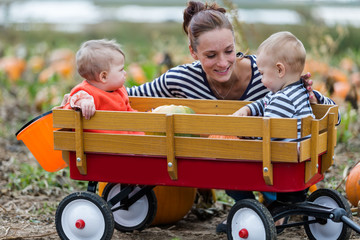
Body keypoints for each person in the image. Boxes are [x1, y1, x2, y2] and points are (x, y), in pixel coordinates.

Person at [60, 0, 340, 233]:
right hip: (226, 163)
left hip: (272, 158)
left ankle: (277, 203)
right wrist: (82, 95)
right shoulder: (181, 78)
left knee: (245, 149)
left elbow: (297, 99)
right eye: (210, 55)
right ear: (193, 52)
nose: (222, 62)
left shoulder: (266, 74)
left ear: (236, 44)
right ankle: (246, 208)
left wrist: (305, 91)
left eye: (229, 51)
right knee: (222, 148)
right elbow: (124, 95)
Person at [233, 31, 315, 134]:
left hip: (285, 149)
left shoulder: (283, 99)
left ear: (279, 70)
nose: (261, 79)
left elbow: (268, 132)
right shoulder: (301, 90)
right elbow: (264, 103)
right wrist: (247, 109)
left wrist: (245, 134)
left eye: (262, 73)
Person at [62, 39, 138, 123]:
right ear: (104, 76)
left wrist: (142, 118)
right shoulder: (86, 93)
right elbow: (72, 103)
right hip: (97, 136)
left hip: (123, 132)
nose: (125, 73)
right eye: (121, 70)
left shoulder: (120, 90)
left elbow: (128, 110)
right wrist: (83, 103)